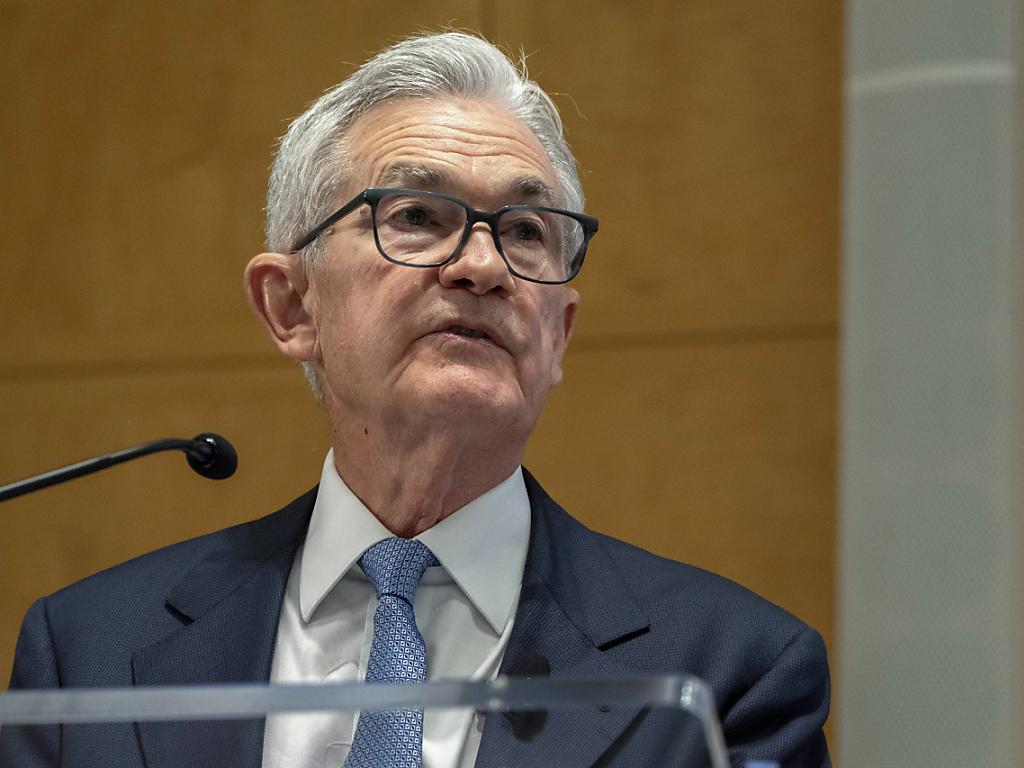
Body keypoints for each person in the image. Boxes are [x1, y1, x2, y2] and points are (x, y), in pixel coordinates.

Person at [1, 32, 830, 768]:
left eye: (526, 231)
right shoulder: (88, 652)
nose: (483, 266)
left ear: (560, 333)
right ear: (291, 306)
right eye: (417, 215)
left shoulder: (731, 669)